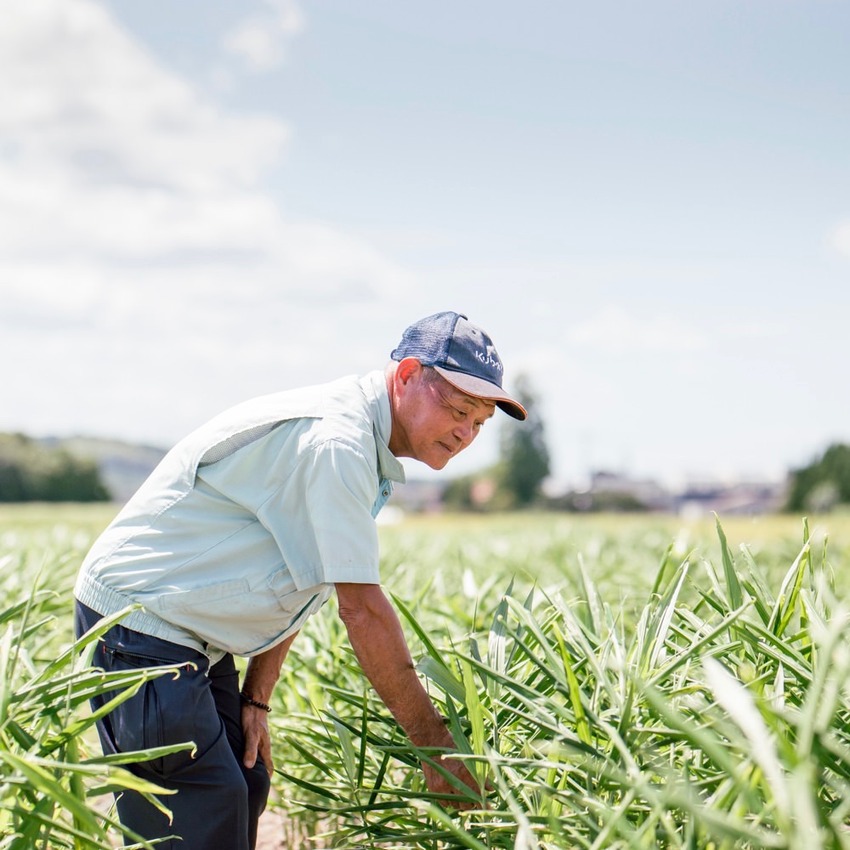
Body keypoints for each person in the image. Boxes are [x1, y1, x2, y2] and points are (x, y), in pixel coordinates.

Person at [74, 310, 527, 850]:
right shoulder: (339, 444)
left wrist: (257, 698)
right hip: (139, 622)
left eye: (479, 423)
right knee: (205, 806)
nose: (465, 433)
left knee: (246, 783)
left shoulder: (363, 445)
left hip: (191, 630)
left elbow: (300, 574)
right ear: (407, 375)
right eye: (457, 410)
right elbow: (362, 610)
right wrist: (437, 752)